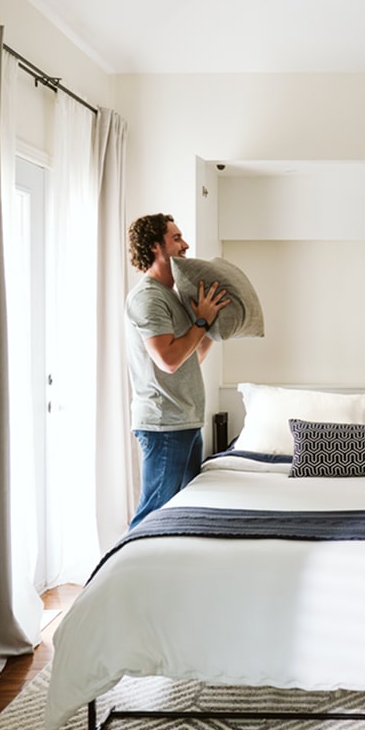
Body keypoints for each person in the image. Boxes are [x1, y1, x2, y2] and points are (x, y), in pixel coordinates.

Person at [125, 212, 230, 529]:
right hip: (164, 425)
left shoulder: (172, 297)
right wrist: (200, 322)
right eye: (176, 238)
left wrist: (208, 324)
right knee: (154, 513)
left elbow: (190, 357)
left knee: (178, 513)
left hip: (184, 421)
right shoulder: (148, 298)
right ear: (156, 247)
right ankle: (126, 575)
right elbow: (168, 359)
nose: (185, 245)